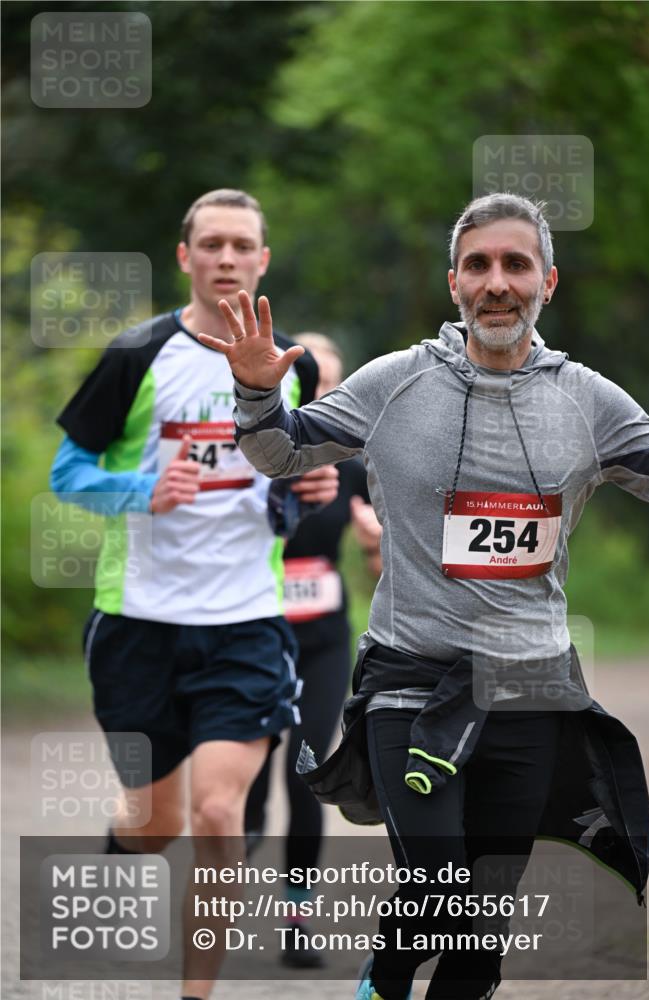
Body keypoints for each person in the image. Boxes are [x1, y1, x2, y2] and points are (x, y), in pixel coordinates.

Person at [198, 192, 649, 1000]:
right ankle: (386, 969)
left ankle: (397, 970)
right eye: (477, 264)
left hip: (529, 686)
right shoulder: (393, 386)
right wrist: (254, 393)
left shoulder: (587, 400)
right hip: (408, 680)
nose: (496, 282)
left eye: (514, 264)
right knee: (440, 887)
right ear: (452, 281)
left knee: (480, 937)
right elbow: (277, 451)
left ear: (547, 282)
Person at [49, 188, 338, 1000]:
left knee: (218, 816)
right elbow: (66, 473)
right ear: (185, 257)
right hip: (138, 622)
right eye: (208, 244)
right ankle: (120, 861)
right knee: (154, 827)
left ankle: (194, 995)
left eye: (240, 245)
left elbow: (301, 475)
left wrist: (311, 488)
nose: (224, 258)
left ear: (262, 259)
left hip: (246, 623)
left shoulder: (295, 366)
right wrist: (143, 487)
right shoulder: (136, 354)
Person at [243, 333, 382, 969]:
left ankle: (297, 918)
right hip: (251, 634)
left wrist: (376, 546)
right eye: (303, 382)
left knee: (304, 768)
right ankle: (226, 887)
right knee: (244, 769)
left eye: (325, 383)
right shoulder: (249, 457)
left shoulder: (354, 465)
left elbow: (393, 567)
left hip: (322, 637)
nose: (314, 395)